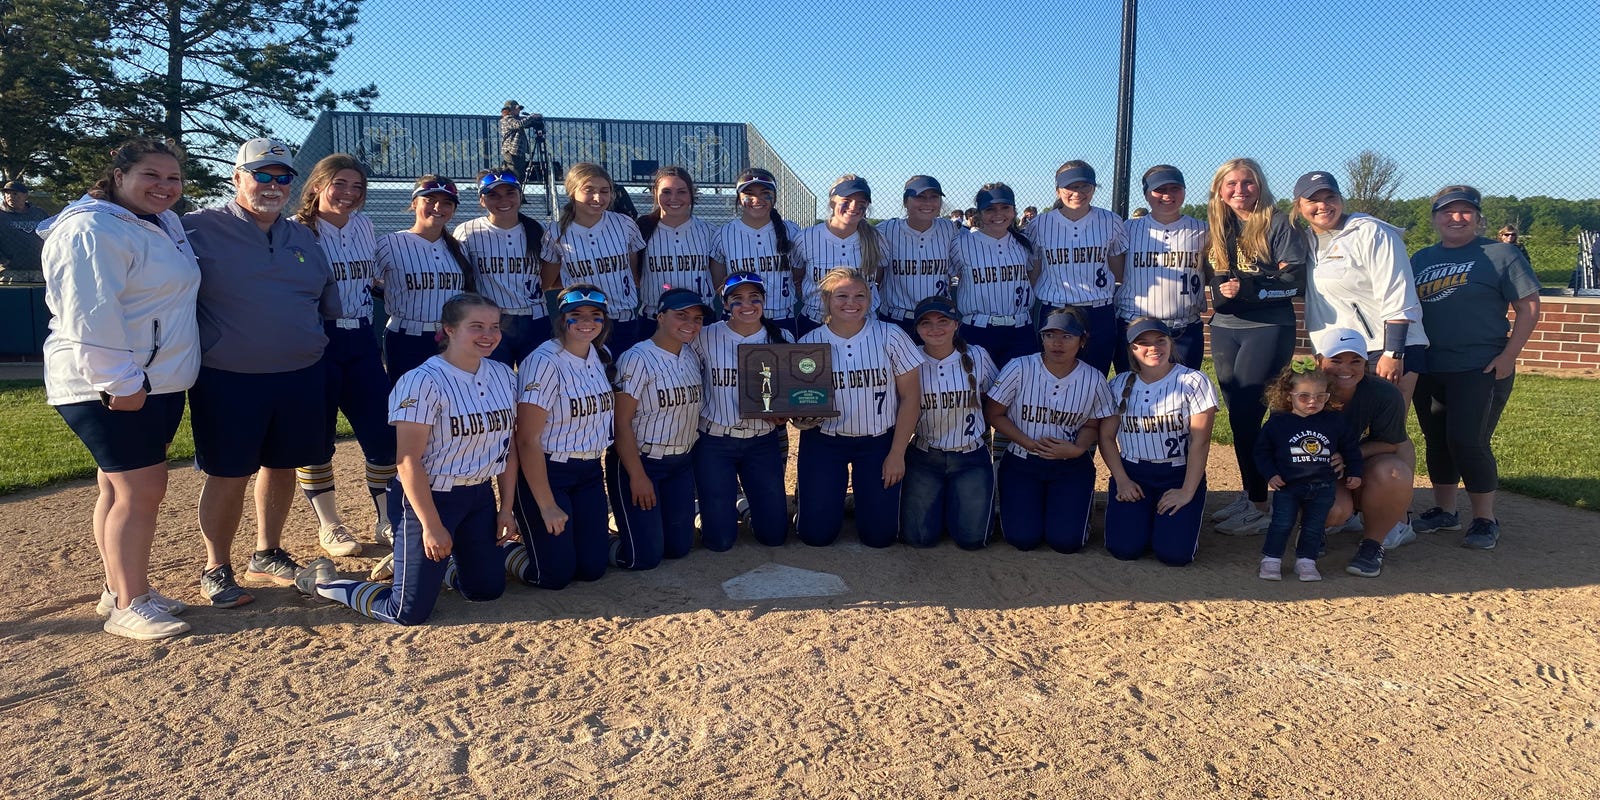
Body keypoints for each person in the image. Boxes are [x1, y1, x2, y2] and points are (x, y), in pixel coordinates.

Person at [38, 138, 200, 639]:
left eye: (173, 178)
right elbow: (89, 312)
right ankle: (130, 604)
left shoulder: (162, 222)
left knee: (116, 487)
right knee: (141, 490)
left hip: (155, 378)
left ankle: (120, 588)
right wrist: (119, 381)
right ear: (119, 175)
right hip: (111, 381)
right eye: (151, 175)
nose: (164, 186)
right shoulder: (91, 228)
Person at [183, 137, 339, 608]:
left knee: (283, 463)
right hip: (229, 374)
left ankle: (267, 552)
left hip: (299, 372)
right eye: (262, 175)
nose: (273, 185)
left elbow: (324, 301)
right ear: (237, 178)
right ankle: (216, 566)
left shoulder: (302, 236)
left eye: (283, 177)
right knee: (228, 472)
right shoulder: (197, 227)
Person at [309, 293, 520, 624]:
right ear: (449, 329)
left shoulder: (504, 375)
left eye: (494, 326)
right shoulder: (422, 380)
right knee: (407, 612)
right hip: (428, 499)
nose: (488, 334)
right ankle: (324, 583)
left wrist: (506, 508)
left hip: (478, 497)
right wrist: (432, 526)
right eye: (476, 326)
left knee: (485, 590)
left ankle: (426, 567)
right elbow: (407, 461)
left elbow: (508, 448)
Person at [1409, 186, 1541, 550]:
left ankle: (1485, 518)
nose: (1456, 218)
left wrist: (1508, 356)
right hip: (1431, 365)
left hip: (1480, 366)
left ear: (1478, 218)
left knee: (1468, 440)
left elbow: (1529, 307)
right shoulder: (1421, 259)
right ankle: (1445, 511)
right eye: (1447, 211)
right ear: (1434, 218)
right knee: (1437, 440)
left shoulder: (1501, 254)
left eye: (1465, 211)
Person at [290, 154, 396, 559]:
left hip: (362, 338)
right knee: (316, 436)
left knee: (382, 430)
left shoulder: (363, 225)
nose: (349, 193)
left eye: (357, 186)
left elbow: (372, 280)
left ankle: (386, 517)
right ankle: (329, 523)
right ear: (317, 185)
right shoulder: (296, 229)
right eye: (340, 184)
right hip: (318, 340)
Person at [1204, 158, 1307, 535]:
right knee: (1238, 415)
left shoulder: (1277, 222)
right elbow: (1212, 277)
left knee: (1248, 413)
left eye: (1247, 182)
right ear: (1219, 190)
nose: (1240, 190)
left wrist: (1249, 287)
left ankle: (1262, 504)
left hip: (1267, 327)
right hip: (1225, 327)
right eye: (1231, 184)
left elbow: (1294, 281)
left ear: (1259, 185)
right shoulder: (1217, 225)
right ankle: (1252, 493)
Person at [795, 267, 922, 547]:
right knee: (816, 536)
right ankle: (831, 502)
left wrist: (897, 453)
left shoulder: (891, 335)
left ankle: (858, 501)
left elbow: (911, 398)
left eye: (859, 296)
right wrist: (800, 418)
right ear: (826, 299)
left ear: (870, 299)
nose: (851, 303)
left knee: (880, 538)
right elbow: (798, 402)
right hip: (824, 442)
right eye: (841, 295)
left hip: (878, 443)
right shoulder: (809, 342)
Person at [503, 285, 617, 588]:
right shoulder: (544, 361)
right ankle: (503, 552)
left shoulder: (600, 354)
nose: (586, 322)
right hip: (548, 472)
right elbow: (526, 440)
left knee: (592, 569)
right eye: (576, 314)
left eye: (595, 315)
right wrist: (546, 505)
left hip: (589, 471)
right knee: (555, 576)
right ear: (562, 318)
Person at [1292, 171, 1428, 406]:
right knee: (1341, 425)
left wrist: (1393, 353)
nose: (1323, 206)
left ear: (1341, 199)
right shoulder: (1303, 241)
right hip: (1339, 350)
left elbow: (1398, 292)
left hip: (1382, 348)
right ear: (1298, 206)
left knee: (1385, 427)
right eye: (1313, 200)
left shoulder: (1372, 232)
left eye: (1330, 197)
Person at [985, 308, 1115, 553]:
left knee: (1066, 543)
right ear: (1041, 338)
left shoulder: (1093, 378)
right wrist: (1027, 442)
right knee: (1022, 540)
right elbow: (994, 414)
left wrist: (1078, 449)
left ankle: (1072, 512)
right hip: (1022, 462)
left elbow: (1092, 424)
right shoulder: (1019, 367)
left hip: (1070, 466)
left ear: (1082, 340)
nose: (1057, 343)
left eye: (1067, 336)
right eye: (1050, 335)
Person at [1099, 318, 1216, 566]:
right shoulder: (1118, 384)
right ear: (1131, 349)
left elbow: (1200, 441)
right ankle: (1148, 522)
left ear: (1170, 343)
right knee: (1124, 549)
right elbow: (1106, 437)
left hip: (1177, 474)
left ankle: (1164, 526)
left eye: (1160, 341)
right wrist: (1122, 480)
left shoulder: (1194, 381)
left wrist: (1186, 492)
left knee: (1174, 555)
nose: (1153, 348)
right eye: (1143, 343)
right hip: (1134, 475)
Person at [691, 272, 794, 550]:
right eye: (737, 299)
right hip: (715, 441)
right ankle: (710, 510)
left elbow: (787, 393)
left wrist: (783, 412)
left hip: (761, 441)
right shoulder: (705, 336)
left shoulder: (781, 336)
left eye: (754, 297)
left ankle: (744, 507)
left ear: (764, 301)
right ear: (725, 304)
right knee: (720, 541)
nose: (746, 305)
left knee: (774, 536)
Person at [610, 288, 707, 569]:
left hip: (680, 464)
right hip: (643, 462)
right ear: (661, 317)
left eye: (697, 318)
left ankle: (635, 525)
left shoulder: (691, 354)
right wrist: (638, 476)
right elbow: (621, 423)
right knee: (644, 558)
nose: (690, 324)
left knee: (678, 548)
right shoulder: (636, 357)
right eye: (681, 315)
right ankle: (596, 541)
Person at [1314, 328, 1420, 578]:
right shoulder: (1301, 391)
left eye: (1355, 361)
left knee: (1393, 472)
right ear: (1318, 361)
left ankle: (1373, 544)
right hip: (1317, 467)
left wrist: (1349, 456)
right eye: (1336, 360)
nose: (1346, 368)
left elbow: (1391, 443)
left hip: (1356, 461)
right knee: (1335, 510)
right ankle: (1311, 528)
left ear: (1365, 363)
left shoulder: (1384, 393)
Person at [899, 295, 997, 550]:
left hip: (970, 458)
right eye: (926, 323)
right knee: (919, 539)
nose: (935, 328)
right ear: (917, 328)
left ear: (956, 324)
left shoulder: (978, 355)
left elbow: (996, 399)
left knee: (972, 540)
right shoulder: (909, 359)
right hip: (924, 457)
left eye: (943, 321)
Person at [1253, 357, 1363, 582]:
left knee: (1314, 526)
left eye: (1320, 396)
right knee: (1281, 523)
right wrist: (1270, 474)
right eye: (1304, 396)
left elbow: (1350, 448)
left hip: (1324, 486)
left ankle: (1306, 560)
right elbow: (1261, 452)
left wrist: (1354, 471)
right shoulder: (1278, 423)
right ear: (1288, 395)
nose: (1313, 401)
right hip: (1288, 485)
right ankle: (1271, 559)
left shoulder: (1334, 421)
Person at [1027, 161, 1128, 375]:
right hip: (1055, 309)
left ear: (1093, 188)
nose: (1077, 192)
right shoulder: (1039, 224)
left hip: (1098, 310)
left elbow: (1119, 272)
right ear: (1058, 190)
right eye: (1070, 187)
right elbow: (1034, 272)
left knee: (1095, 375)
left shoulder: (1111, 221)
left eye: (1084, 186)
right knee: (1052, 376)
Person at [376, 175, 476, 384]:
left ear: (453, 210)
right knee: (409, 398)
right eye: (429, 200)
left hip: (450, 339)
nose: (438, 207)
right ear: (414, 203)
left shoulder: (459, 248)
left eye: (447, 203)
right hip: (406, 337)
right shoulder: (390, 243)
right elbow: (366, 282)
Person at [540, 163, 648, 354]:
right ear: (572, 192)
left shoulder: (624, 224)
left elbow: (632, 274)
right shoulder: (555, 232)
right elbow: (547, 282)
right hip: (581, 324)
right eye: (589, 190)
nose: (598, 198)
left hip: (623, 320)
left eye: (604, 191)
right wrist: (575, 278)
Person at [1117, 166, 1208, 371]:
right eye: (1160, 189)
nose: (1168, 195)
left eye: (1175, 188)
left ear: (1184, 191)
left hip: (1184, 329)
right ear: (1146, 194)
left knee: (1183, 389)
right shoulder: (1127, 229)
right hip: (1135, 326)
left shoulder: (1203, 230)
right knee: (1132, 387)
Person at [456, 168, 549, 366]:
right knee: (493, 380)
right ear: (482, 200)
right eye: (493, 195)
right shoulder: (467, 232)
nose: (503, 200)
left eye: (510, 193)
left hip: (535, 320)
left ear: (520, 195)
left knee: (538, 380)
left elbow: (549, 278)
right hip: (491, 321)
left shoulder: (539, 229)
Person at [949, 183, 1039, 371]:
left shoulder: (1023, 243)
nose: (998, 214)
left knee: (1020, 387)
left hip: (1020, 330)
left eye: (1005, 207)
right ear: (979, 213)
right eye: (990, 209)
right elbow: (953, 275)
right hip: (977, 330)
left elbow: (1032, 276)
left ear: (1013, 211)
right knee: (976, 386)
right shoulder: (962, 243)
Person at [792, 175, 890, 337]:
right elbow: (797, 278)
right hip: (815, 321)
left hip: (863, 324)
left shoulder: (876, 238)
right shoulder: (806, 237)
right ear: (832, 202)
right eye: (847, 200)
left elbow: (877, 280)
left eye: (861, 202)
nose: (854, 206)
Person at [709, 168, 802, 335]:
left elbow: (798, 276)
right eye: (749, 194)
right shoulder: (724, 233)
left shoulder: (791, 231)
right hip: (738, 319)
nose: (757, 199)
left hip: (781, 318)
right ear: (739, 198)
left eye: (765, 193)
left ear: (774, 196)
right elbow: (719, 283)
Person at [637, 166, 717, 335]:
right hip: (654, 321)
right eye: (666, 192)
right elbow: (635, 275)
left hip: (700, 321)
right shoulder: (641, 230)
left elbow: (717, 279)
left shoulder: (710, 232)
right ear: (655, 193)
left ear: (692, 194)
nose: (674, 198)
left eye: (681, 192)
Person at [877, 176, 960, 338]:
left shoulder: (949, 229)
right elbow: (877, 277)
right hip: (896, 320)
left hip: (938, 319)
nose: (927, 202)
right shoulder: (886, 230)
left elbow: (954, 273)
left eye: (934, 197)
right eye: (920, 197)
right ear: (905, 202)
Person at [499, 100, 534, 180]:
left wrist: (533, 120)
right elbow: (518, 124)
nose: (519, 111)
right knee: (515, 174)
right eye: (516, 108)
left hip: (518, 152)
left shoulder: (516, 119)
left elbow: (523, 123)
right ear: (510, 110)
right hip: (511, 151)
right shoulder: (507, 119)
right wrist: (531, 117)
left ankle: (518, 187)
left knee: (520, 174)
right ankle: (513, 187)